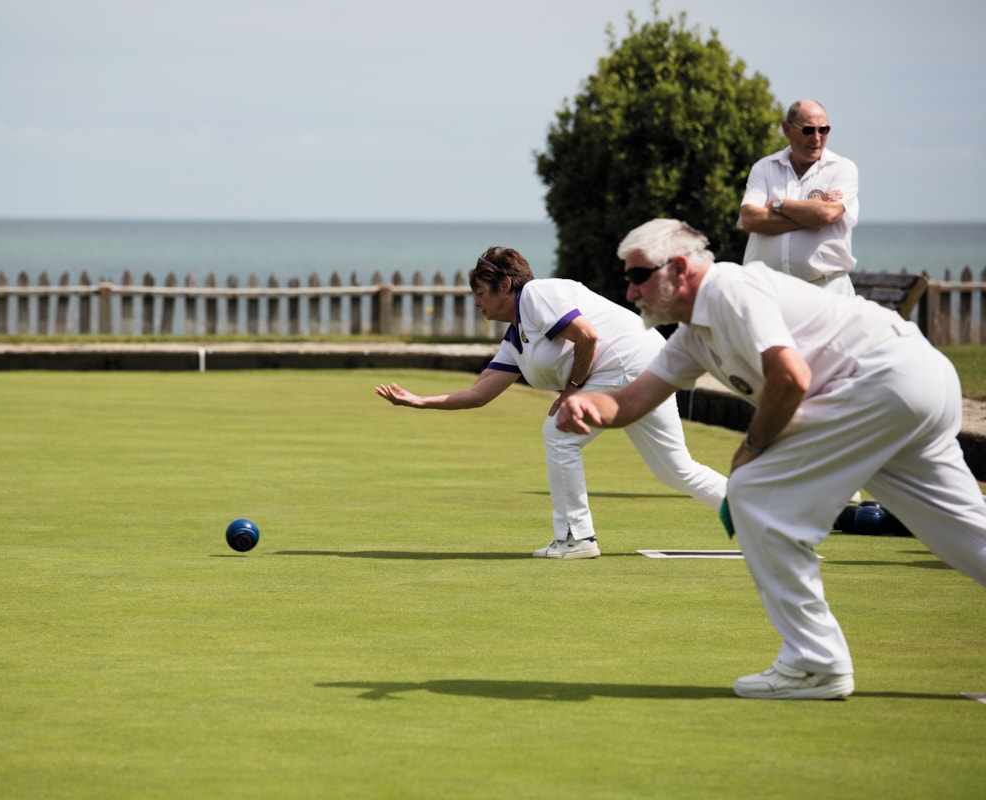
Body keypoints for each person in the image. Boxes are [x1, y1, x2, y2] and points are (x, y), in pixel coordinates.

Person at [555, 218, 986, 699]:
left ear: (677, 268)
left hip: (881, 383)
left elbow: (790, 377)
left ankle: (815, 663)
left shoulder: (729, 290)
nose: (631, 293)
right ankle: (814, 661)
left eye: (637, 277)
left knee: (751, 491)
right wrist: (589, 404)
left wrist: (751, 450)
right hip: (921, 381)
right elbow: (631, 402)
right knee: (965, 531)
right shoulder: (694, 335)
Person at [374, 245, 727, 559]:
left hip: (627, 362)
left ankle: (576, 537)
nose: (477, 303)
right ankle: (761, 511)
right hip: (646, 363)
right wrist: (419, 401)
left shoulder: (536, 295)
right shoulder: (517, 338)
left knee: (559, 432)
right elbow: (478, 394)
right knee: (674, 468)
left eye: (480, 293)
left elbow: (587, 336)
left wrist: (571, 390)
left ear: (506, 286)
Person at [739, 99, 858, 295]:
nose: (817, 138)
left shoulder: (842, 168)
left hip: (825, 291)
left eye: (824, 130)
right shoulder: (764, 167)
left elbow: (827, 215)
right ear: (787, 129)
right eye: (808, 130)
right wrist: (811, 214)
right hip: (768, 293)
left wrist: (778, 204)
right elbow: (749, 219)